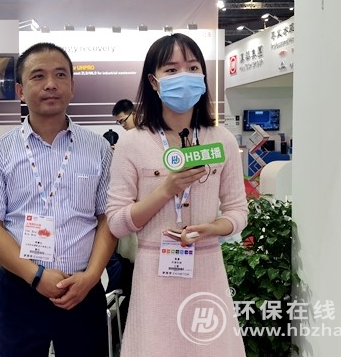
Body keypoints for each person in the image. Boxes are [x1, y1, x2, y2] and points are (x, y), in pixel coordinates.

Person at [0, 42, 116, 357]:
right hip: (19, 290)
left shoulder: (98, 149)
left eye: (60, 75)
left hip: (82, 288)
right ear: (20, 90)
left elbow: (107, 218)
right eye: (38, 76)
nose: (50, 84)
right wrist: (36, 276)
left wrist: (91, 277)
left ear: (72, 87)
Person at [106, 33, 248, 356]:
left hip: (207, 270)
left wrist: (213, 228)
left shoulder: (222, 140)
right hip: (154, 272)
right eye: (171, 70)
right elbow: (116, 221)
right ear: (153, 82)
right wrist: (166, 190)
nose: (184, 76)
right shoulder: (132, 143)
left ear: (203, 76)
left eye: (193, 67)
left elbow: (238, 211)